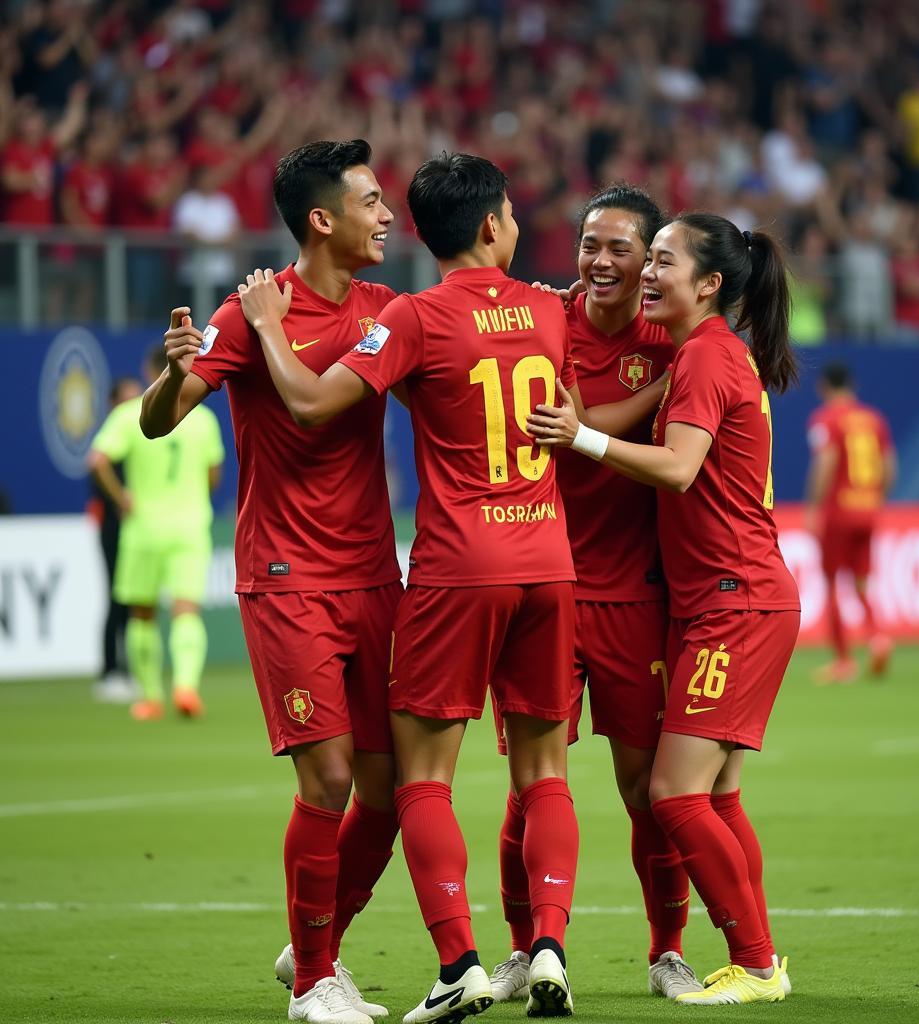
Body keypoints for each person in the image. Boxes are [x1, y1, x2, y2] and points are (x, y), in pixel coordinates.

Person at [226, 153, 665, 1024]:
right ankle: (545, 945)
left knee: (421, 782)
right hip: (550, 563)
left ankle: (460, 961)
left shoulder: (411, 319)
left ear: (427, 231)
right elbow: (580, 400)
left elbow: (312, 405)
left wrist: (268, 326)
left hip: (457, 568)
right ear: (496, 225)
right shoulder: (548, 307)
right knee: (546, 776)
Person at [139, 139, 403, 1024]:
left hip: (375, 575)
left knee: (394, 791)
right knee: (327, 782)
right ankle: (321, 982)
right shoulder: (252, 309)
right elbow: (157, 422)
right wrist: (176, 367)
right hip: (287, 576)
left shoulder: (381, 307)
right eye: (371, 201)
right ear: (322, 218)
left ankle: (312, 946)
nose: (387, 215)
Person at [527, 212, 800, 1005]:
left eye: (663, 261)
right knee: (713, 797)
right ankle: (756, 957)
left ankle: (755, 964)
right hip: (722, 598)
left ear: (709, 284)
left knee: (672, 795)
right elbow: (620, 424)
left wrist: (583, 444)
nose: (647, 272)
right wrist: (575, 425)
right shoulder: (703, 353)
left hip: (733, 601)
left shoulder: (708, 358)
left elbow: (679, 469)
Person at [488, 184, 702, 1004]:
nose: (601, 261)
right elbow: (559, 427)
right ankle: (525, 950)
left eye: (622, 248)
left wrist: (658, 379)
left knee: (646, 790)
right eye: (589, 245)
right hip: (541, 583)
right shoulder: (543, 322)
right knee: (531, 787)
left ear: (650, 260)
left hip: (633, 594)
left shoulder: (672, 336)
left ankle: (667, 952)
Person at [88, 347, 224, 720]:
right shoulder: (204, 420)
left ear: (152, 371)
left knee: (142, 614)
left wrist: (122, 498)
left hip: (143, 528)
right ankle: (186, 686)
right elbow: (214, 475)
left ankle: (149, 697)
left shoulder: (129, 414)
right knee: (186, 611)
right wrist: (194, 498)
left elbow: (97, 459)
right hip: (190, 527)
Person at [806, 363, 896, 683]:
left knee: (831, 583)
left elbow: (826, 462)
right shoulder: (874, 419)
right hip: (868, 509)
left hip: (838, 512)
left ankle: (843, 661)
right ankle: (877, 637)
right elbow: (889, 465)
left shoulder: (826, 420)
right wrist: (876, 499)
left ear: (824, 387)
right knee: (861, 582)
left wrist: (814, 507)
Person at [89, 375, 143, 704]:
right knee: (116, 596)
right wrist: (121, 499)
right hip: (114, 528)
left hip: (137, 529)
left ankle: (126, 670)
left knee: (133, 600)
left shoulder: (137, 433)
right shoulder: (113, 434)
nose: (134, 406)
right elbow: (96, 467)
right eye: (128, 399)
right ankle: (110, 671)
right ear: (113, 404)